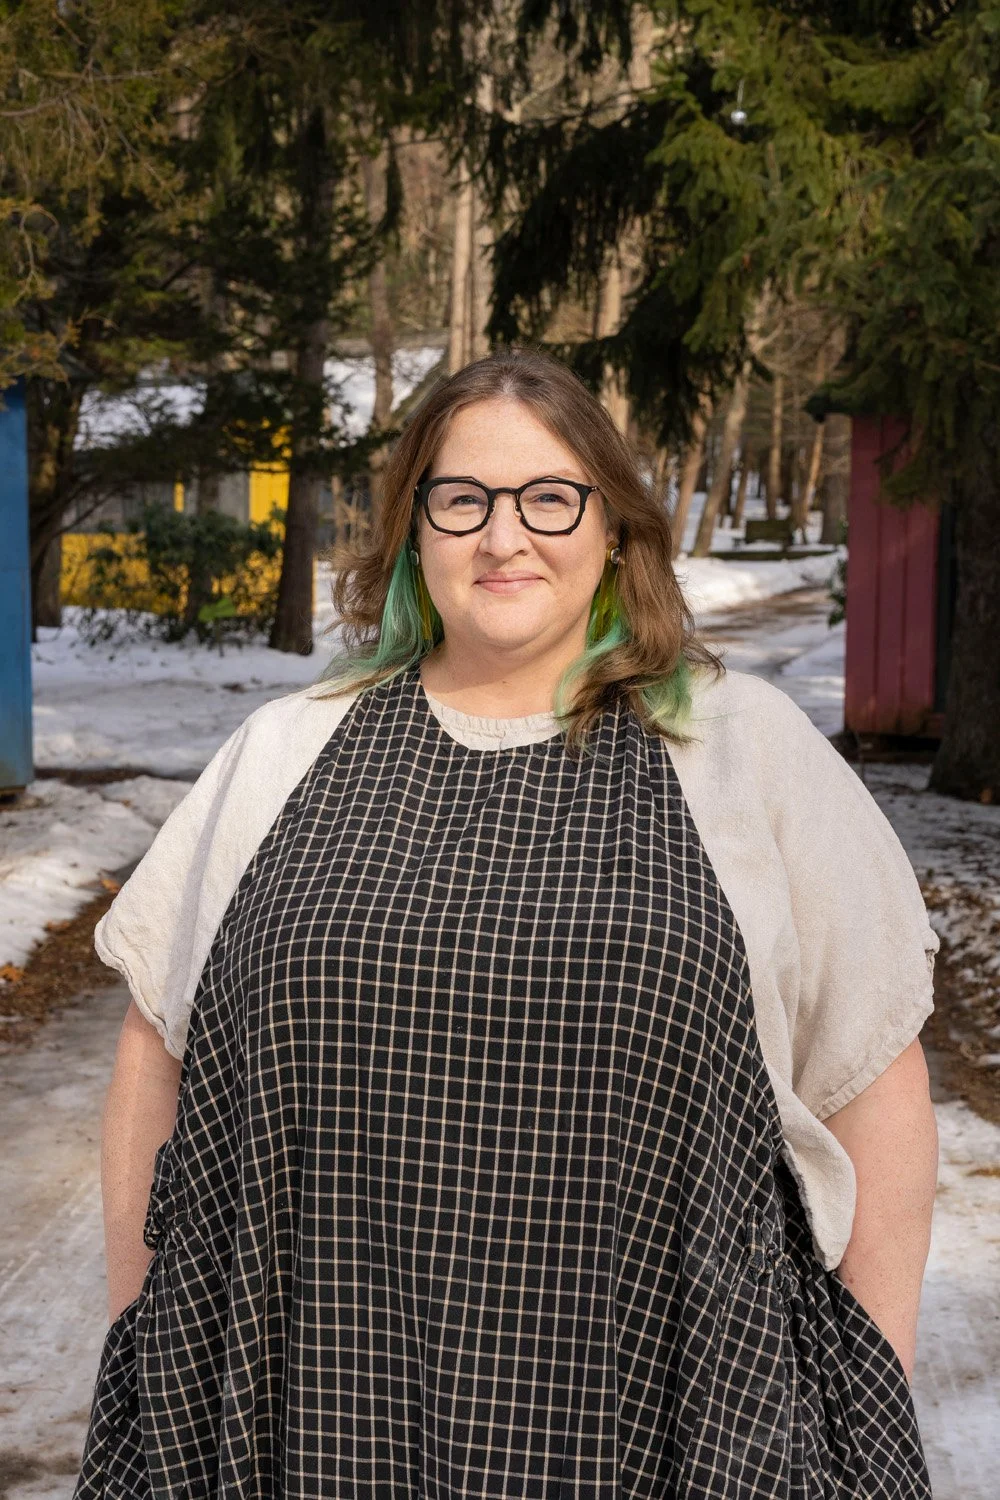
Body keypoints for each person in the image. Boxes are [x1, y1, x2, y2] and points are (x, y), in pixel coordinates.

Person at [74, 348, 940, 1499]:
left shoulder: (747, 751)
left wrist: (867, 1379)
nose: (502, 537)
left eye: (548, 497)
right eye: (462, 499)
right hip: (316, 1407)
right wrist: (152, 1346)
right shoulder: (285, 750)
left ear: (613, 529)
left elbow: (874, 1074)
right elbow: (157, 1048)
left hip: (671, 1412)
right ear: (413, 529)